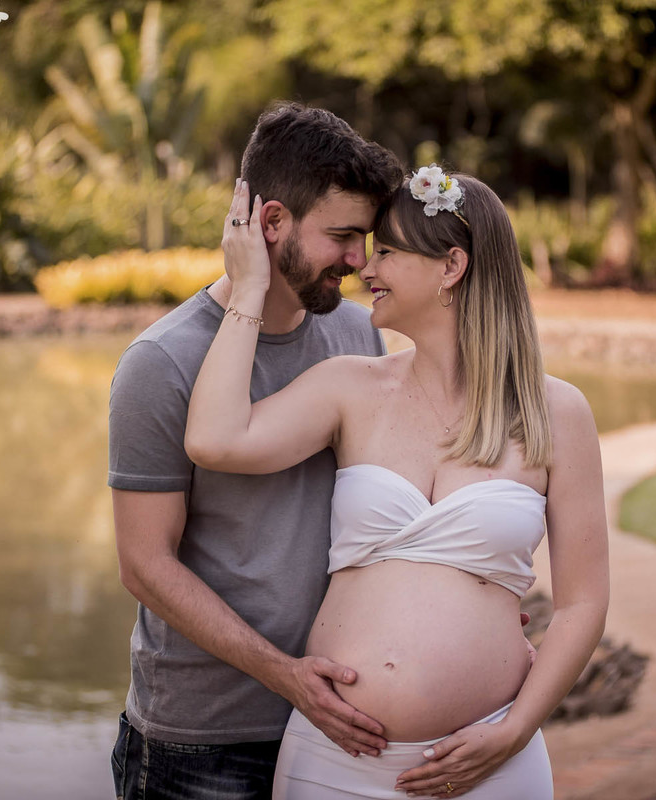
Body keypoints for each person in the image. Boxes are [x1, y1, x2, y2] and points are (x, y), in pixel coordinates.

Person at [185, 166, 610, 799]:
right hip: (334, 761)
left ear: (451, 266)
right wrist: (248, 289)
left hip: (487, 761)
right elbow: (215, 440)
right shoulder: (349, 387)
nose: (365, 267)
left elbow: (582, 603)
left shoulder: (557, 413)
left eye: (386, 251)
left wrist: (517, 729)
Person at [107, 102, 404, 800]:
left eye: (366, 238)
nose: (360, 260)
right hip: (202, 744)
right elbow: (145, 567)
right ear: (271, 223)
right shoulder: (163, 362)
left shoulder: (357, 336)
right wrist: (285, 675)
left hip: (335, 723)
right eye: (343, 236)